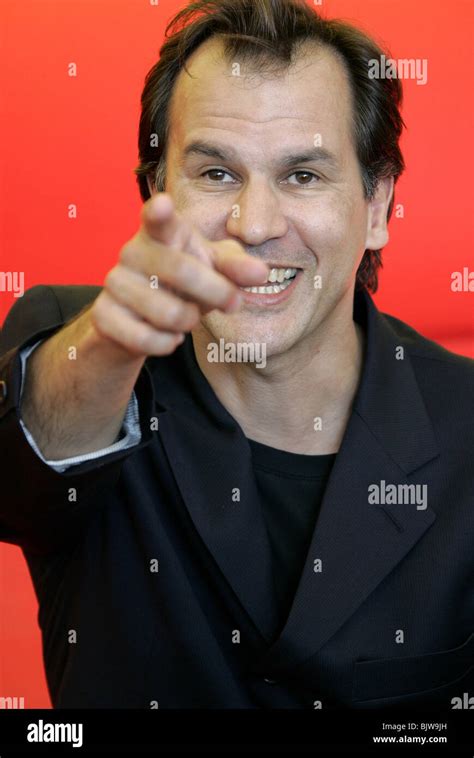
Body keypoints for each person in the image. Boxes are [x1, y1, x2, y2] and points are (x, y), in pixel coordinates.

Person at [0, 0, 472, 710]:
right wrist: (109, 344)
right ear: (156, 191)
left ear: (377, 207)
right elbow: (22, 473)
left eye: (303, 176)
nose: (253, 226)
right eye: (216, 173)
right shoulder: (81, 343)